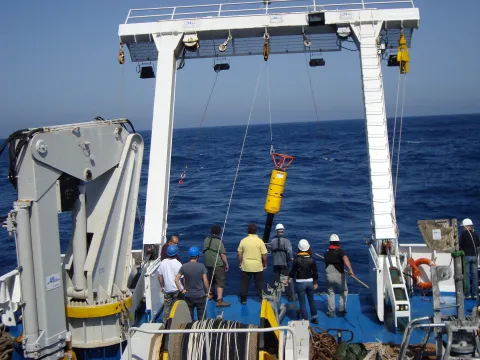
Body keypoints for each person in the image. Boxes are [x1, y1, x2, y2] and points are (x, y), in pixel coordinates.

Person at [284, 239, 319, 324]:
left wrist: (287, 279)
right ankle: (315, 318)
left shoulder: (296, 259)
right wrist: (315, 283)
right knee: (311, 300)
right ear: (308, 248)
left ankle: (306, 321)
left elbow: (292, 272)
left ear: (299, 248)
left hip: (300, 283)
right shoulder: (311, 259)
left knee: (302, 303)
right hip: (310, 282)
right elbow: (315, 273)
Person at [175, 246, 209, 320]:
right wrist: (208, 291)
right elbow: (205, 281)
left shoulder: (184, 266)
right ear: (197, 256)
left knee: (189, 316)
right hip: (200, 295)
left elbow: (176, 279)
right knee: (201, 316)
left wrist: (181, 290)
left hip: (188, 296)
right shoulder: (201, 266)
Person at [324, 234, 354, 318]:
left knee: (330, 293)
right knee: (343, 291)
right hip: (339, 276)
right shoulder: (340, 251)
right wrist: (350, 270)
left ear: (330, 243)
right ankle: (341, 309)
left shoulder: (326, 253)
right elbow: (345, 259)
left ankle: (330, 311)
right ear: (338, 243)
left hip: (329, 276)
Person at [238, 224, 268, 305]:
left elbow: (239, 254)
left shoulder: (243, 241)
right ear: (256, 231)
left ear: (248, 231)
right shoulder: (260, 241)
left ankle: (243, 300)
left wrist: (240, 262)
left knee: (244, 283)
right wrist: (264, 264)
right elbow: (264, 255)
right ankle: (262, 299)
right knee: (260, 283)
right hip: (257, 265)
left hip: (246, 265)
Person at [203, 224, 230, 307]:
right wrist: (226, 264)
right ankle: (219, 300)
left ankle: (210, 294)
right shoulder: (219, 241)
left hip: (208, 263)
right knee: (220, 281)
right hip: (217, 264)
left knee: (211, 278)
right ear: (219, 232)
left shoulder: (206, 239)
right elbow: (222, 255)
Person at [157, 245, 183, 324]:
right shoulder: (178, 264)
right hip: (177, 289)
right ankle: (177, 323)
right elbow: (182, 278)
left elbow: (160, 276)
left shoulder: (163, 262)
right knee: (177, 307)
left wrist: (162, 286)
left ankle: (165, 324)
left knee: (166, 307)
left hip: (167, 289)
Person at [270, 223, 294, 301]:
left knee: (276, 281)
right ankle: (290, 297)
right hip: (284, 264)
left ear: (276, 231)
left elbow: (271, 250)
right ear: (283, 231)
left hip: (275, 264)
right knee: (285, 281)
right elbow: (289, 251)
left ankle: (276, 296)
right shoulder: (286, 241)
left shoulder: (273, 241)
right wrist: (290, 258)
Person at [459, 218, 480, 299]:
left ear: (466, 226)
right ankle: (475, 294)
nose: (463, 228)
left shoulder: (464, 234)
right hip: (475, 257)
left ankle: (467, 294)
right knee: (475, 275)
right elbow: (478, 244)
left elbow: (460, 245)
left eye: (463, 227)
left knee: (466, 275)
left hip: (466, 257)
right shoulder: (475, 234)